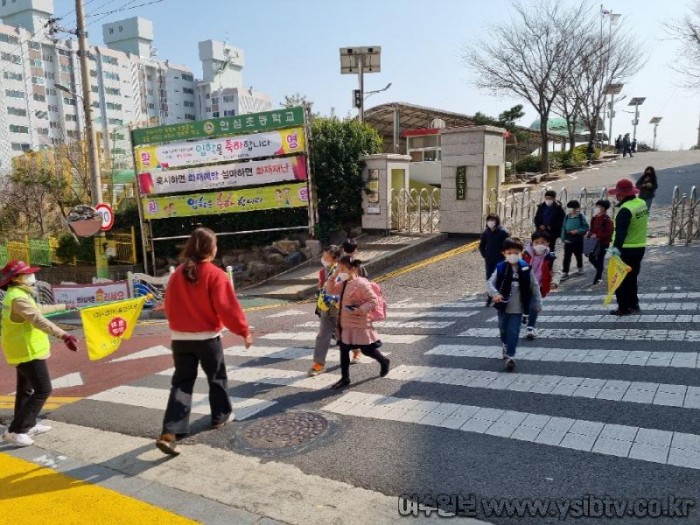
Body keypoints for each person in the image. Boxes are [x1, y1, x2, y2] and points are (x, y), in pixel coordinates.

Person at [157, 228, 252, 456]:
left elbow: (169, 305)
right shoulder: (215, 274)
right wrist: (243, 331)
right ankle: (220, 416)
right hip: (207, 338)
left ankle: (170, 432)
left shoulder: (177, 273)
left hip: (180, 339)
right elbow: (227, 307)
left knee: (182, 383)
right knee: (216, 377)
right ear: (211, 249)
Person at [0, 260, 79, 447]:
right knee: (44, 389)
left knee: (26, 390)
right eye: (26, 274)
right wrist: (64, 334)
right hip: (27, 351)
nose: (31, 276)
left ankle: (27, 425)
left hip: (24, 350)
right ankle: (15, 431)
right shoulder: (18, 298)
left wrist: (64, 307)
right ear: (16, 279)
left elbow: (39, 311)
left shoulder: (19, 295)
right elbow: (37, 319)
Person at [325, 256, 390, 389]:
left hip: (359, 323)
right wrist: (335, 274)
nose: (340, 270)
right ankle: (345, 378)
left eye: (343, 268)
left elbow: (373, 301)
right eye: (339, 267)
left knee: (367, 350)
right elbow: (330, 290)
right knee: (343, 350)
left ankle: (384, 361)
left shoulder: (362, 283)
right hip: (344, 323)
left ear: (353, 269)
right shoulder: (343, 280)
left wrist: (359, 310)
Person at [487, 238, 542, 371]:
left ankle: (511, 356)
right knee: (503, 329)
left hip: (518, 308)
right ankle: (505, 344)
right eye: (509, 252)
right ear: (504, 253)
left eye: (516, 252)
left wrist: (538, 302)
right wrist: (495, 294)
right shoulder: (501, 267)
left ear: (521, 253)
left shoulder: (525, 268)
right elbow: (489, 282)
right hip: (503, 307)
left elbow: (534, 285)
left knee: (514, 331)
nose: (513, 255)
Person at [608, 179, 649, 316]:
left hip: (626, 249)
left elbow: (621, 233)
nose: (616, 196)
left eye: (618, 194)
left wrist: (616, 250)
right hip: (640, 246)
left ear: (623, 195)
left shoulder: (625, 210)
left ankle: (623, 308)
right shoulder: (641, 203)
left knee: (620, 279)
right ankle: (633, 303)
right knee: (632, 277)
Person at [309, 245, 342, 377]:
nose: (323, 258)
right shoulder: (323, 271)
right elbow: (321, 286)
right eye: (323, 256)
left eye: (326, 257)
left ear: (334, 258)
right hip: (325, 307)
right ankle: (318, 364)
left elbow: (344, 288)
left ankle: (356, 350)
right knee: (323, 334)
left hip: (338, 308)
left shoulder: (342, 270)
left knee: (344, 334)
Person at [522, 231, 559, 340]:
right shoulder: (525, 254)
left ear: (548, 243)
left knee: (534, 305)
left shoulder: (550, 257)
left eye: (542, 242)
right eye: (536, 242)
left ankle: (530, 328)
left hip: (539, 286)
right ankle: (525, 315)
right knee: (525, 305)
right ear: (532, 243)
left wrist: (555, 282)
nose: (539, 245)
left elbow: (557, 270)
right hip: (524, 285)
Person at [479, 214, 509, 307]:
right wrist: (485, 255)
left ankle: (500, 296)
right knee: (489, 278)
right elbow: (481, 245)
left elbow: (508, 244)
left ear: (497, 221)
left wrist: (505, 254)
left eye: (493, 220)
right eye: (489, 220)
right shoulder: (486, 232)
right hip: (489, 259)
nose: (491, 222)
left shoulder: (503, 232)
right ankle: (489, 297)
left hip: (500, 259)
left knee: (499, 276)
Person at [586, 199, 614, 286]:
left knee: (600, 259)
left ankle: (597, 278)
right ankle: (600, 271)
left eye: (600, 206)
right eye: (598, 206)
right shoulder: (595, 217)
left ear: (604, 208)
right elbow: (591, 229)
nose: (598, 208)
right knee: (591, 257)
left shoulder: (607, 219)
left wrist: (597, 235)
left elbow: (609, 232)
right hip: (594, 242)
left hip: (603, 242)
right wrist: (589, 234)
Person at [560, 200, 589, 280]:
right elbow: (563, 228)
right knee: (566, 256)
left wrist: (577, 231)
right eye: (569, 208)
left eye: (573, 208)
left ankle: (580, 267)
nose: (571, 210)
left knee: (578, 255)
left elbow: (586, 227)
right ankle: (565, 272)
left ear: (577, 208)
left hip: (578, 239)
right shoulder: (567, 216)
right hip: (568, 239)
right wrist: (563, 238)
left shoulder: (580, 216)